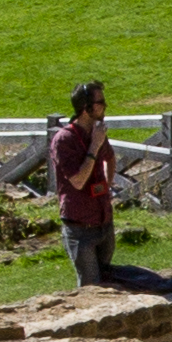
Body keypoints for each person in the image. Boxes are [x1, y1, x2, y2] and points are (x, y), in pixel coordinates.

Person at [50, 78, 115, 284]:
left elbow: (110, 159)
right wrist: (94, 147)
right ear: (85, 108)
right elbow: (77, 181)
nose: (105, 106)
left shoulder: (97, 131)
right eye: (100, 102)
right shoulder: (64, 140)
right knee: (91, 288)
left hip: (104, 222)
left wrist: (107, 185)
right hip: (80, 228)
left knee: (110, 283)